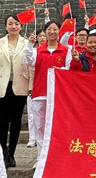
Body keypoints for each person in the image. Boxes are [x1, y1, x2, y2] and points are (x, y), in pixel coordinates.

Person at [24, 21, 70, 164]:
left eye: (55, 29)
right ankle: (41, 157)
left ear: (59, 31)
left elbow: (69, 69)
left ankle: (57, 156)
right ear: (45, 32)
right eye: (49, 29)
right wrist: (30, 45)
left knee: (58, 125)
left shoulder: (65, 50)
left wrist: (59, 70)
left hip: (58, 94)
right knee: (40, 126)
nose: (52, 32)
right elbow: (28, 61)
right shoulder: (38, 51)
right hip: (40, 92)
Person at [0, 14, 28, 168]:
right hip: (2, 85)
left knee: (16, 120)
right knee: (3, 120)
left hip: (20, 84)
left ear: (21, 26)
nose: (14, 26)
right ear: (5, 26)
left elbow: (30, 64)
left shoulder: (27, 43)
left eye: (17, 24)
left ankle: (12, 153)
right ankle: (2, 152)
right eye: (10, 24)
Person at [26, 29, 47, 148]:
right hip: (32, 86)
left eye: (44, 36)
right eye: (40, 36)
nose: (42, 38)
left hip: (44, 87)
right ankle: (32, 138)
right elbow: (28, 70)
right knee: (32, 115)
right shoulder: (33, 51)